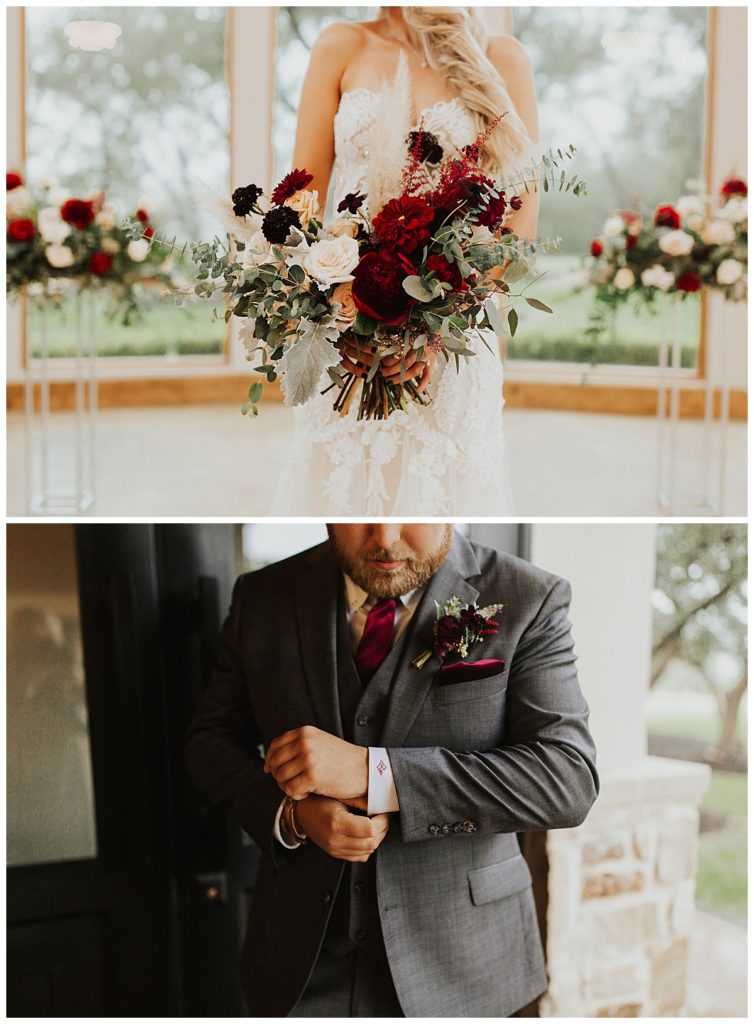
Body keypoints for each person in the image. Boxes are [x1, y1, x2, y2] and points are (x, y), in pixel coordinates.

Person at [185, 524, 599, 1016]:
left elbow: (566, 779)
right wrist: (292, 818)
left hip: (465, 967)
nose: (384, 537)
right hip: (301, 965)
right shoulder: (263, 595)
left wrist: (374, 774)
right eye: (360, 509)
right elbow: (209, 743)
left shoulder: (528, 596)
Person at [270, 7, 540, 516]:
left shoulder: (502, 56)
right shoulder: (339, 45)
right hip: (347, 328)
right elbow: (299, 201)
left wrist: (439, 330)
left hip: (454, 334)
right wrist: (328, 313)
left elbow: (520, 219)